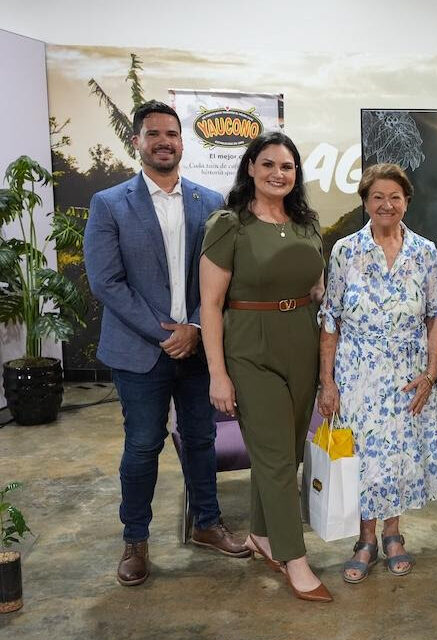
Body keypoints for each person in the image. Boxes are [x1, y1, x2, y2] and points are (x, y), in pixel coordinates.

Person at [85, 100, 249, 587]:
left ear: (183, 142)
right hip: (139, 353)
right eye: (153, 134)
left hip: (198, 350)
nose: (164, 141)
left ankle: (206, 523)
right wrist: (166, 332)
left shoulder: (210, 202)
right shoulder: (110, 204)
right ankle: (135, 539)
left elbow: (222, 279)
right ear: (137, 142)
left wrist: (196, 328)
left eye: (172, 134)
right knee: (142, 445)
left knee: (201, 440)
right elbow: (107, 282)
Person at [199, 132, 330, 602]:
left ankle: (260, 533)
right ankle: (296, 561)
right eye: (269, 164)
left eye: (288, 166)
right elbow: (211, 305)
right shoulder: (228, 224)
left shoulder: (306, 224)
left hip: (302, 340)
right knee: (276, 459)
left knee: (286, 453)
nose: (279, 173)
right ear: (251, 167)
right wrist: (217, 373)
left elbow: (316, 289)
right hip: (250, 346)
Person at [317, 163, 437, 584]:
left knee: (397, 458)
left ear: (407, 201)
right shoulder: (345, 251)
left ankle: (393, 534)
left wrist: (430, 374)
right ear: (365, 203)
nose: (386, 204)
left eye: (394, 196)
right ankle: (365, 538)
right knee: (364, 459)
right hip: (356, 374)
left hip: (408, 376)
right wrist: (328, 381)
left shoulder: (425, 252)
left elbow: (436, 314)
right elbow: (330, 318)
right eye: (377, 197)